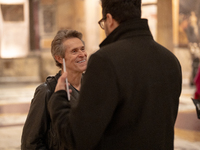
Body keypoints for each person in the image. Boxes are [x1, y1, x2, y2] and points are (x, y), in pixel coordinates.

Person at [48, 0, 182, 149]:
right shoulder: (170, 60)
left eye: (103, 22)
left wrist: (58, 98)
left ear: (110, 20)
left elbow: (77, 138)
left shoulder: (105, 60)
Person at [21, 29, 87, 150]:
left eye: (82, 49)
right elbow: (30, 143)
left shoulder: (93, 87)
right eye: (74, 51)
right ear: (59, 58)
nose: (82, 54)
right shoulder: (47, 91)